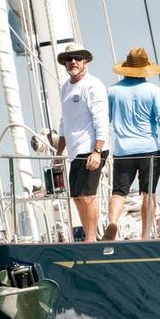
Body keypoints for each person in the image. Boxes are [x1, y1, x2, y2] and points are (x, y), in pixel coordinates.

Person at [104, 47, 160, 240]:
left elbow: (105, 120)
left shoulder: (113, 91)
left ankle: (113, 223)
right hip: (149, 149)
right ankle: (144, 236)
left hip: (123, 151)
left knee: (118, 192)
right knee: (148, 194)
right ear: (145, 69)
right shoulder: (153, 91)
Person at [54, 43, 110, 242]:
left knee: (87, 195)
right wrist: (58, 153)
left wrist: (97, 150)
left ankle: (92, 239)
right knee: (77, 197)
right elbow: (64, 121)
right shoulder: (65, 88)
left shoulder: (93, 85)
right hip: (75, 151)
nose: (73, 62)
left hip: (92, 147)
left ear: (85, 61)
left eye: (77, 58)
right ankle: (89, 235)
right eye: (69, 59)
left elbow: (101, 120)